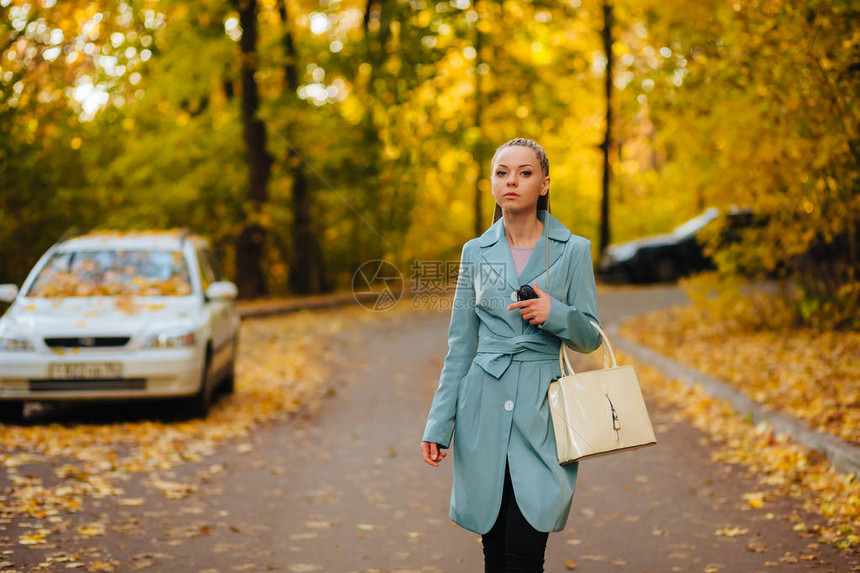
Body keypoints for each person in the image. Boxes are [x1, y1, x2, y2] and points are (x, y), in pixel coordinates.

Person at [420, 138, 603, 572]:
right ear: (491, 184)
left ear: (544, 184)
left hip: (544, 413)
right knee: (495, 552)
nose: (512, 181)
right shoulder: (475, 252)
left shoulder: (573, 250)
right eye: (502, 172)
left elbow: (591, 336)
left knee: (524, 555)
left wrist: (554, 313)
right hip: (481, 409)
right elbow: (460, 346)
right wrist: (439, 423)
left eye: (524, 172)